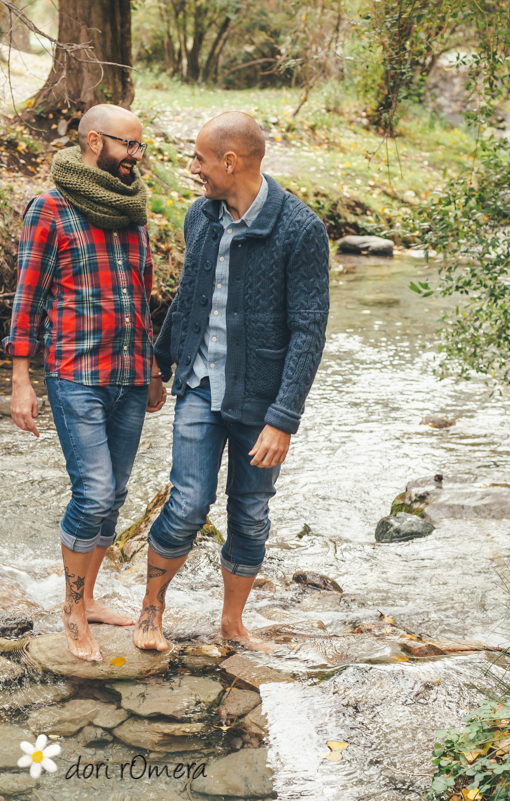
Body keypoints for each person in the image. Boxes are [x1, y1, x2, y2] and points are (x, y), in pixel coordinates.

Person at [133, 111, 329, 654]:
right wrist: (158, 365)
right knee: (188, 502)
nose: (192, 168)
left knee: (250, 511)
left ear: (230, 161)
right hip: (199, 384)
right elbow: (187, 299)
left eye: (199, 159)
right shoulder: (201, 216)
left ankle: (233, 623)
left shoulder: (301, 229)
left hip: (261, 401)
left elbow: (309, 330)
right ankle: (151, 610)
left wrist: (283, 420)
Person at [5, 104, 167, 662]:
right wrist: (21, 379)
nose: (136, 156)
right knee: (93, 491)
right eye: (128, 145)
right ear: (95, 141)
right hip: (76, 373)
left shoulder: (133, 211)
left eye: (140, 146)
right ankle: (73, 609)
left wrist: (152, 368)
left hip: (130, 374)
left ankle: (91, 598)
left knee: (114, 495)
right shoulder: (50, 208)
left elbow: (143, 296)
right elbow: (28, 297)